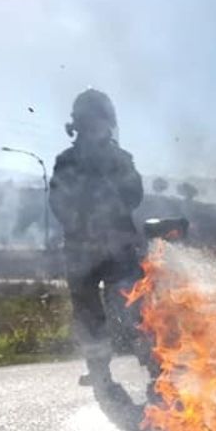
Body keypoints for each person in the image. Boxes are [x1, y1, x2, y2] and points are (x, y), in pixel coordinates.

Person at [49, 88, 144, 389]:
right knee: (93, 311)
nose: (96, 129)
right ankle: (103, 368)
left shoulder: (117, 158)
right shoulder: (68, 161)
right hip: (86, 249)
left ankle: (149, 361)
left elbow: (133, 195)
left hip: (109, 246)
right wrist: (84, 224)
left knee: (129, 305)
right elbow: (59, 201)